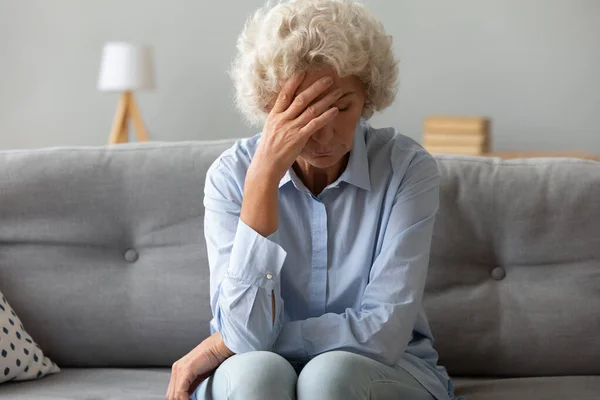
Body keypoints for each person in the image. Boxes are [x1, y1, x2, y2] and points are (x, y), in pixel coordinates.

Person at [166, 1, 459, 399]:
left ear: (368, 98)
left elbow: (384, 333)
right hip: (257, 372)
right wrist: (264, 177)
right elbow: (247, 337)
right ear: (270, 105)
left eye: (342, 107)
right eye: (302, 110)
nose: (324, 134)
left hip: (383, 370)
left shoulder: (407, 169)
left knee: (327, 377)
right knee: (257, 374)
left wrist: (224, 344)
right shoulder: (231, 175)